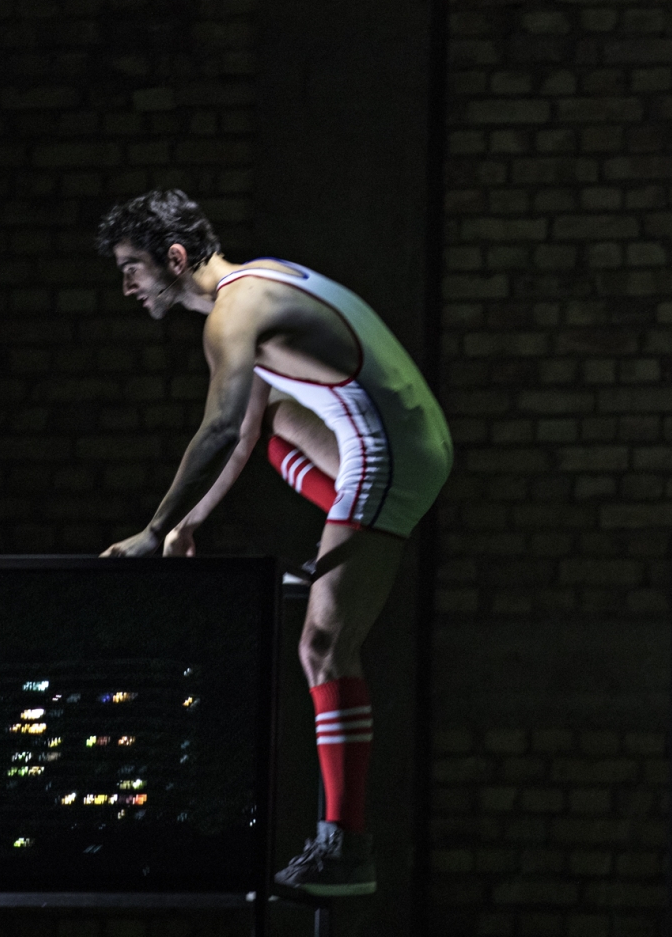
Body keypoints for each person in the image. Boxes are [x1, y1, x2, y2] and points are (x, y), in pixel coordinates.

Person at [95, 188, 452, 897]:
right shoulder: (254, 287)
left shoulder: (232, 314)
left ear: (174, 258)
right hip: (384, 438)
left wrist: (153, 531)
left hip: (392, 453)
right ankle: (344, 548)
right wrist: (192, 522)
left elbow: (219, 428)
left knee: (322, 645)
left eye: (133, 267)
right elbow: (249, 431)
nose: (128, 285)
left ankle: (347, 851)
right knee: (282, 426)